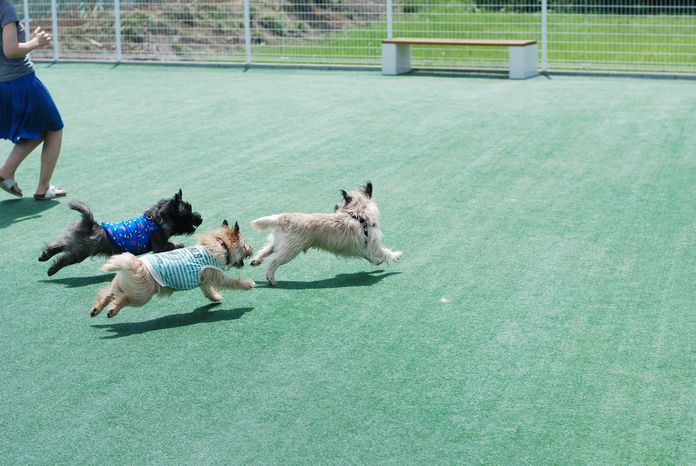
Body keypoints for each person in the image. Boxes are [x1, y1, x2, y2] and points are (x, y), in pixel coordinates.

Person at [0, 0, 65, 200]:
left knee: (38, 128)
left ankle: (6, 174)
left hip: (3, 83)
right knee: (54, 128)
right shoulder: (5, 8)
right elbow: (10, 50)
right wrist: (36, 42)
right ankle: (43, 188)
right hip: (20, 82)